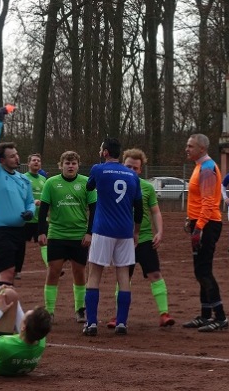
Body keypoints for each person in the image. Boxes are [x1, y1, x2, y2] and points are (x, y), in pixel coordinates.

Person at [106, 148, 175, 329]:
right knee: (123, 279)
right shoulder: (115, 185)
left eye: (135, 168)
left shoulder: (147, 187)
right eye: (128, 166)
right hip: (123, 240)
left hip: (144, 239)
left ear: (140, 169)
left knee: (155, 274)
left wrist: (159, 232)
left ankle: (164, 314)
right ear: (122, 165)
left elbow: (155, 212)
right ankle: (119, 316)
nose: (132, 170)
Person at [83, 138, 143, 336]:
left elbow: (89, 188)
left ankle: (91, 322)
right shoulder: (132, 175)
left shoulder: (98, 169)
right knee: (123, 275)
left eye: (102, 149)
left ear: (106, 152)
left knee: (94, 274)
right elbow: (139, 208)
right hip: (125, 231)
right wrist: (135, 232)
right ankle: (122, 323)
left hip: (103, 229)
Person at [38, 151, 95, 324]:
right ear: (61, 165)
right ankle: (49, 311)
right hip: (57, 234)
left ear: (78, 165)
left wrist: (89, 233)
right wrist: (41, 232)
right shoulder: (51, 183)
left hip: (79, 236)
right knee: (53, 271)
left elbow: (94, 209)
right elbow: (43, 210)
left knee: (79, 272)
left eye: (74, 163)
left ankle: (80, 309)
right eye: (67, 163)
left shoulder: (87, 183)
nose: (70, 166)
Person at [0, 106, 35, 289]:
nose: (16, 158)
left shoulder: (24, 180)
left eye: (16, 154)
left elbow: (30, 201)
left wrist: (31, 211)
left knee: (12, 275)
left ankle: (2, 312)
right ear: (1, 161)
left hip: (18, 233)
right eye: (11, 156)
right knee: (6, 273)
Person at [183, 133, 228, 332]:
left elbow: (210, 202)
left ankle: (220, 317)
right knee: (200, 270)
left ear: (202, 148)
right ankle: (205, 314)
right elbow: (198, 199)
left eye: (191, 146)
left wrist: (199, 226)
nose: (187, 149)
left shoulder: (208, 169)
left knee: (203, 271)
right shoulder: (200, 167)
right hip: (200, 222)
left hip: (208, 224)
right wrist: (190, 220)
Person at [15, 153, 48, 279]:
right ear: (28, 164)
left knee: (44, 243)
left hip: (41, 219)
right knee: (20, 245)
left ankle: (50, 267)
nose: (36, 162)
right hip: (27, 219)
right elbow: (17, 196)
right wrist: (30, 203)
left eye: (38, 161)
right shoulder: (22, 178)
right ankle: (17, 270)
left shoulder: (44, 180)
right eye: (33, 160)